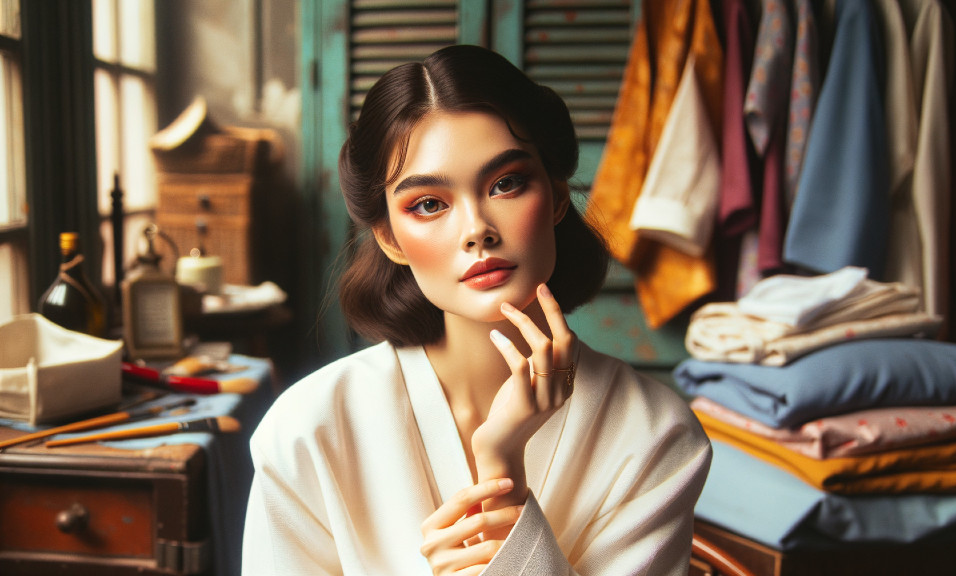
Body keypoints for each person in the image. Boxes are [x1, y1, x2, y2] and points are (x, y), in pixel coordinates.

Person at [241, 44, 712, 575]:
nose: (476, 229)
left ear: (557, 196)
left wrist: (501, 464)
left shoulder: (655, 434)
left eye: (506, 183)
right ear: (390, 239)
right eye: (428, 204)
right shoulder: (309, 428)